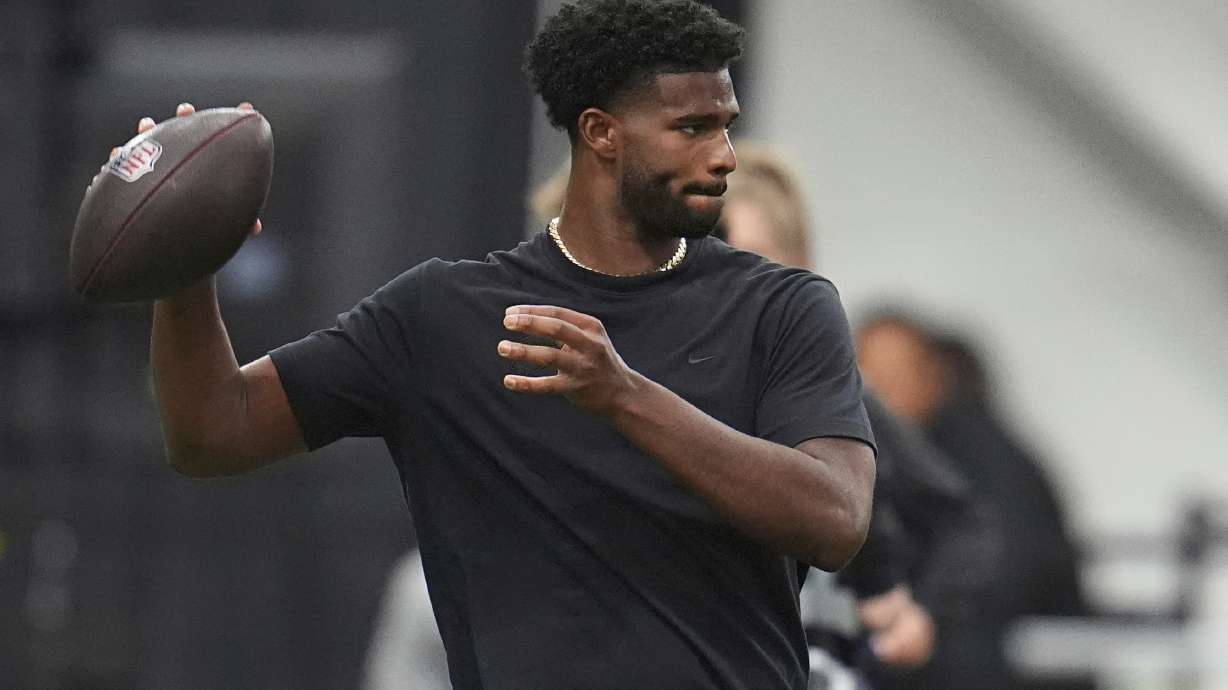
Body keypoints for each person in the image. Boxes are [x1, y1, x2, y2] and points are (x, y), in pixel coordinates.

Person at [118, 1, 878, 687]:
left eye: (725, 124)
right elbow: (212, 432)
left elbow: (837, 519)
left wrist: (625, 396)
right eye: (692, 128)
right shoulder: (442, 316)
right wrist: (185, 266)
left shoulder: (783, 308)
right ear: (601, 133)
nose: (725, 156)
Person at [717, 145, 1006, 690]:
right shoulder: (662, 387)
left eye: (755, 258)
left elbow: (958, 523)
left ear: (800, 267)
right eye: (718, 255)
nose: (734, 280)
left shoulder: (838, 397)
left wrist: (918, 616)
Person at [856, 313, 1093, 690]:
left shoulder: (973, 459)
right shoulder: (929, 452)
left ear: (930, 376)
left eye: (890, 379)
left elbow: (994, 576)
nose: (876, 398)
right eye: (866, 381)